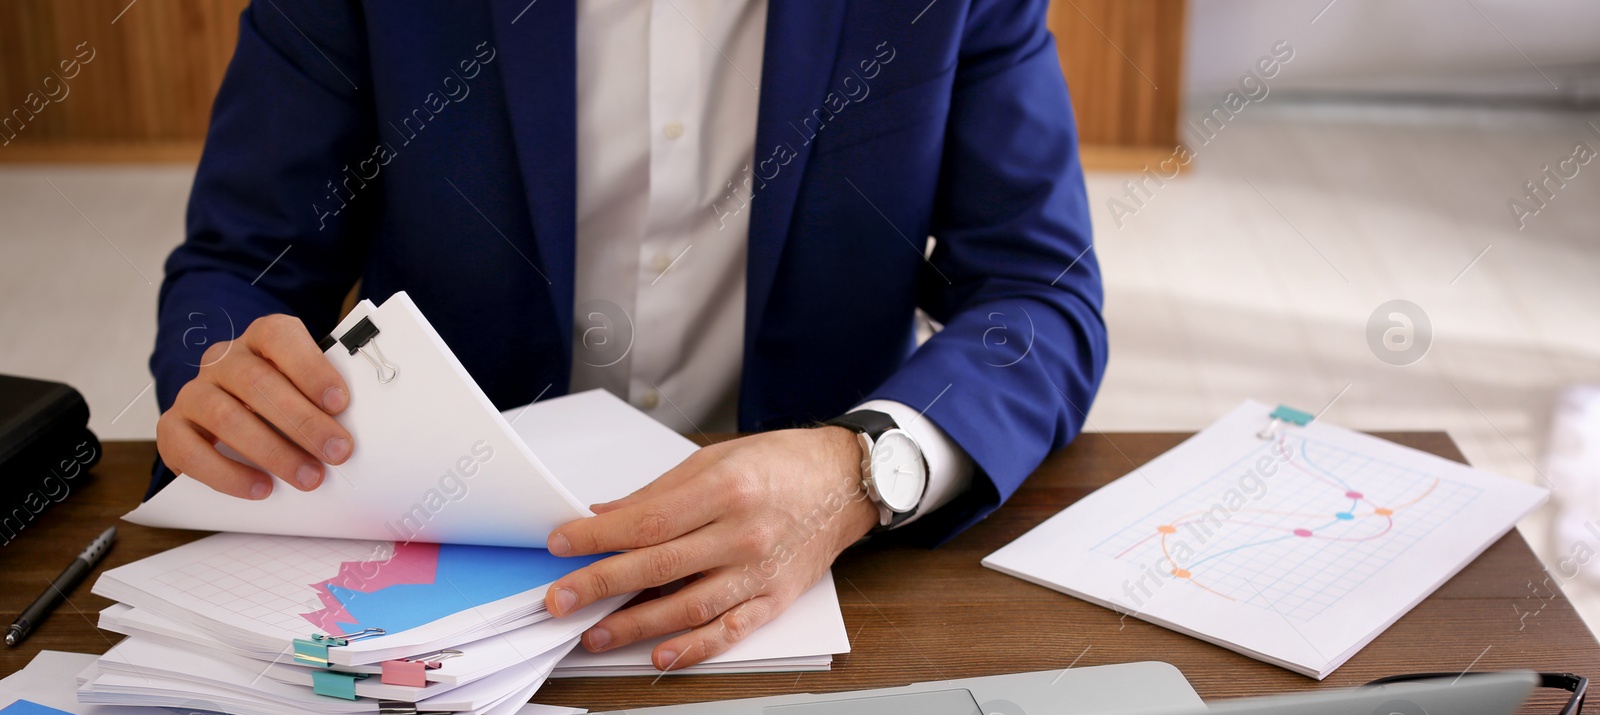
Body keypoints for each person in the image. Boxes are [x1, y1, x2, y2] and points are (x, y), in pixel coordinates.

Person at [149, 0, 1106, 671]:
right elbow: (236, 265)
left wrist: (862, 467)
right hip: (432, 580)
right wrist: (228, 365)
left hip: (817, 586)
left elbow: (1041, 294)